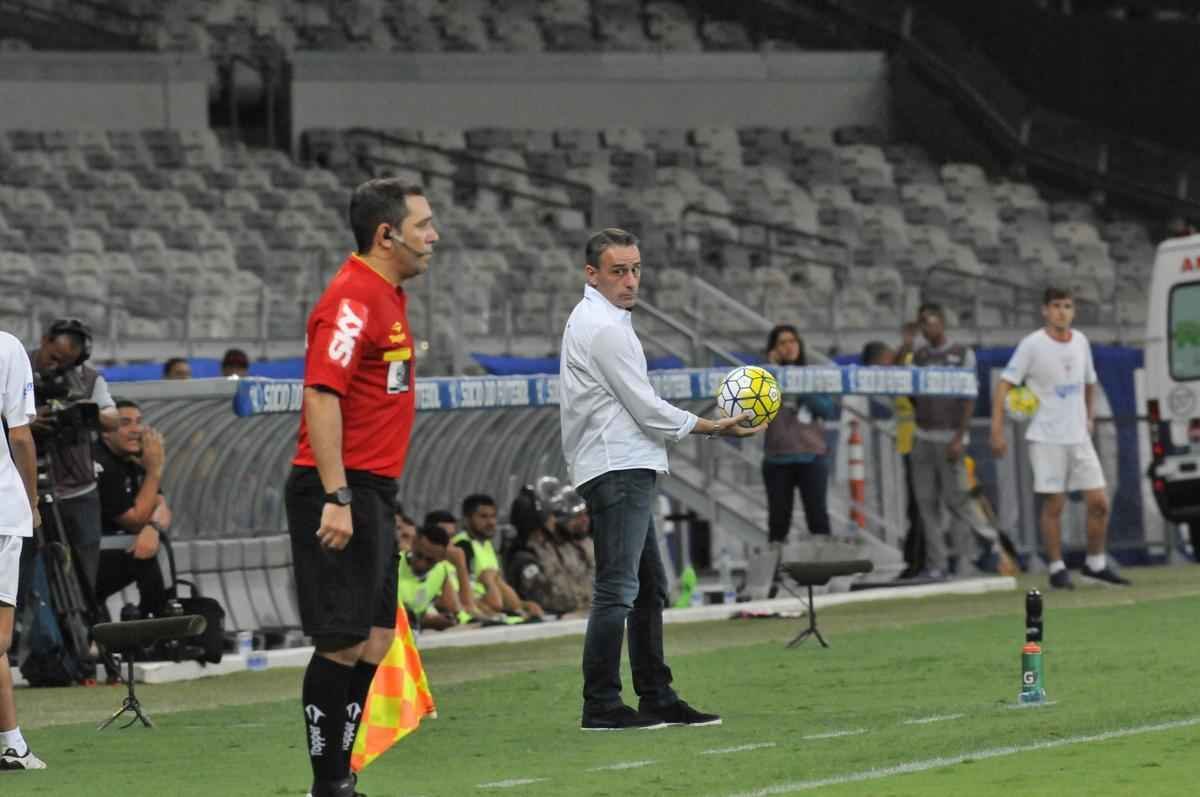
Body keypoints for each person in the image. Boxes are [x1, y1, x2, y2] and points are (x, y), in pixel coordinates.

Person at [560, 227, 764, 732]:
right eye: (618, 271)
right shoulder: (603, 328)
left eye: (635, 269)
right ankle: (601, 704)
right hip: (617, 466)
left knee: (648, 588)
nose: (631, 281)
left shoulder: (601, 320)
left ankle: (656, 695)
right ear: (592, 274)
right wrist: (712, 426)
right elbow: (646, 408)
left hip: (622, 464)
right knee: (619, 588)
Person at [284, 178, 437, 797]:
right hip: (339, 491)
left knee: (375, 637)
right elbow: (322, 394)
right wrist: (338, 496)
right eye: (423, 225)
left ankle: (340, 777)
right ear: (386, 234)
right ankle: (329, 785)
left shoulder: (386, 295)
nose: (433, 236)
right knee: (343, 640)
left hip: (371, 491)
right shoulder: (352, 298)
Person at [990, 287, 1130, 589]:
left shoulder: (1081, 341)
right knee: (1055, 504)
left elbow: (1089, 382)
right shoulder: (1032, 344)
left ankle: (1095, 564)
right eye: (1056, 306)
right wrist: (997, 429)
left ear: (1073, 311)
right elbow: (1004, 383)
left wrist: (1089, 417)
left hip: (1079, 436)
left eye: (1067, 306)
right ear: (1045, 310)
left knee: (1099, 502)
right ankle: (1056, 568)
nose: (1062, 312)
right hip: (1046, 437)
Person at [24, 319, 118, 602]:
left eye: (66, 362)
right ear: (45, 341)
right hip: (25, 489)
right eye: (54, 358)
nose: (57, 366)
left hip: (79, 491)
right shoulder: (14, 368)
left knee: (84, 570)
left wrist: (85, 413)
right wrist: (25, 422)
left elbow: (112, 418)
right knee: (25, 570)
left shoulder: (88, 379)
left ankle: (83, 621)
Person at [909, 304, 996, 579]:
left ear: (942, 323)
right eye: (923, 323)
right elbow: (911, 392)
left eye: (931, 322)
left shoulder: (961, 355)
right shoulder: (919, 357)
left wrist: (960, 436)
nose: (927, 328)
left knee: (956, 499)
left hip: (949, 436)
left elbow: (969, 398)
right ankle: (937, 563)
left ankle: (978, 546)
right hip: (923, 435)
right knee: (926, 502)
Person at [0, 330, 46, 770]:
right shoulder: (6, 347)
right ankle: (12, 745)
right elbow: (20, 436)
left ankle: (12, 743)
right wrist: (32, 502)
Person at [93, 399, 171, 619]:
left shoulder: (132, 461)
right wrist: (154, 471)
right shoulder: (101, 463)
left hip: (116, 546)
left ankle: (160, 617)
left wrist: (153, 528)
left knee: (154, 544)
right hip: (86, 557)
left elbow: (163, 508)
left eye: (139, 422)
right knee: (149, 554)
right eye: (125, 423)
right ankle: (157, 620)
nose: (136, 430)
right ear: (105, 432)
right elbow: (135, 520)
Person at [761, 325, 835, 543]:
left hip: (811, 456)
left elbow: (827, 409)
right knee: (778, 521)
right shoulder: (764, 377)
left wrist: (798, 387)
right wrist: (773, 371)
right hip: (777, 458)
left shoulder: (812, 375)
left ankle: (823, 561)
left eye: (792, 341)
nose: (789, 346)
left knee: (818, 518)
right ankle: (777, 563)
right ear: (773, 349)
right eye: (782, 343)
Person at [862, 339, 926, 579]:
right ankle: (916, 560)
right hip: (910, 444)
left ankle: (919, 561)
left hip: (922, 443)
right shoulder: (898, 371)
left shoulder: (907, 366)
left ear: (884, 359)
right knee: (916, 506)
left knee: (920, 506)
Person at [507, 487, 595, 617]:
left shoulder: (560, 546)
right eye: (550, 517)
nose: (555, 521)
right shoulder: (525, 556)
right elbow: (544, 596)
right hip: (551, 617)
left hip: (576, 612)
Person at [453, 494, 543, 619]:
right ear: (466, 520)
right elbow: (462, 594)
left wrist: (523, 605)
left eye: (493, 516)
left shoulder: (488, 546)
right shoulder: (461, 546)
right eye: (483, 517)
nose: (491, 522)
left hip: (496, 609)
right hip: (477, 613)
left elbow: (500, 585)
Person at [397, 524, 460, 632]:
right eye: (418, 555)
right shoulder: (392, 565)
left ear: (442, 557)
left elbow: (453, 609)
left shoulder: (441, 571)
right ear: (414, 543)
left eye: (430, 560)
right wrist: (424, 622)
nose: (421, 564)